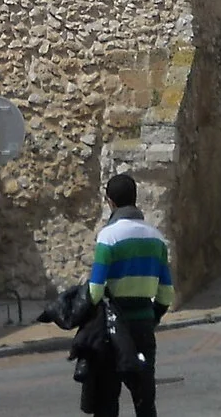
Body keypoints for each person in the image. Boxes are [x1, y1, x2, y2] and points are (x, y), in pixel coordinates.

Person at [85, 172, 174, 417]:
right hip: (143, 326)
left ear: (110, 202)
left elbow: (94, 291)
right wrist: (152, 316)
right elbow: (167, 292)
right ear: (135, 199)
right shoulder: (156, 238)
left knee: (107, 398)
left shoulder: (108, 237)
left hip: (113, 329)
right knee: (144, 399)